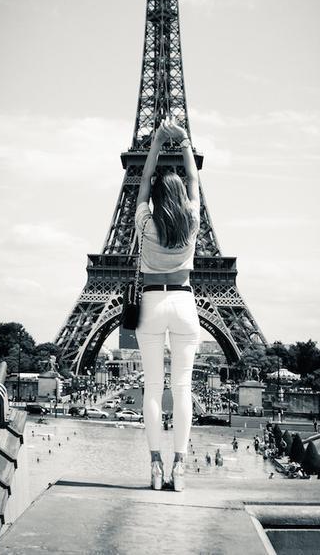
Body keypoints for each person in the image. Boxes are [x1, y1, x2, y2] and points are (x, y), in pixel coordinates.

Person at [135, 117, 201, 492]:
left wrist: (158, 141)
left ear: (157, 199)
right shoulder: (191, 221)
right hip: (184, 302)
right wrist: (185, 142)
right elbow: (193, 181)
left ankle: (155, 465)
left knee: (151, 390)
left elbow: (143, 182)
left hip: (150, 303)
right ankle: (180, 466)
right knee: (182, 388)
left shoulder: (146, 223)